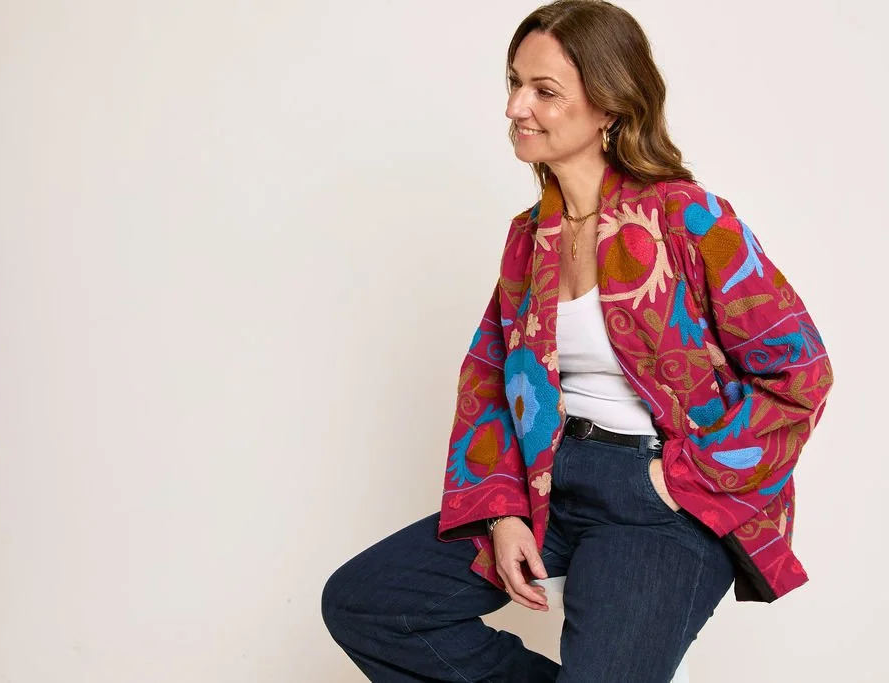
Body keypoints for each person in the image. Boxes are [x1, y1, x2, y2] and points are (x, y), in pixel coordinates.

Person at [321, 1, 834, 680]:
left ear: (610, 107)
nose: (514, 107)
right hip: (551, 483)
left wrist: (678, 480)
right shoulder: (529, 236)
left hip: (661, 504)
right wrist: (502, 510)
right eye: (513, 83)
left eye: (544, 91)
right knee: (369, 602)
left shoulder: (688, 217)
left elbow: (800, 372)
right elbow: (489, 379)